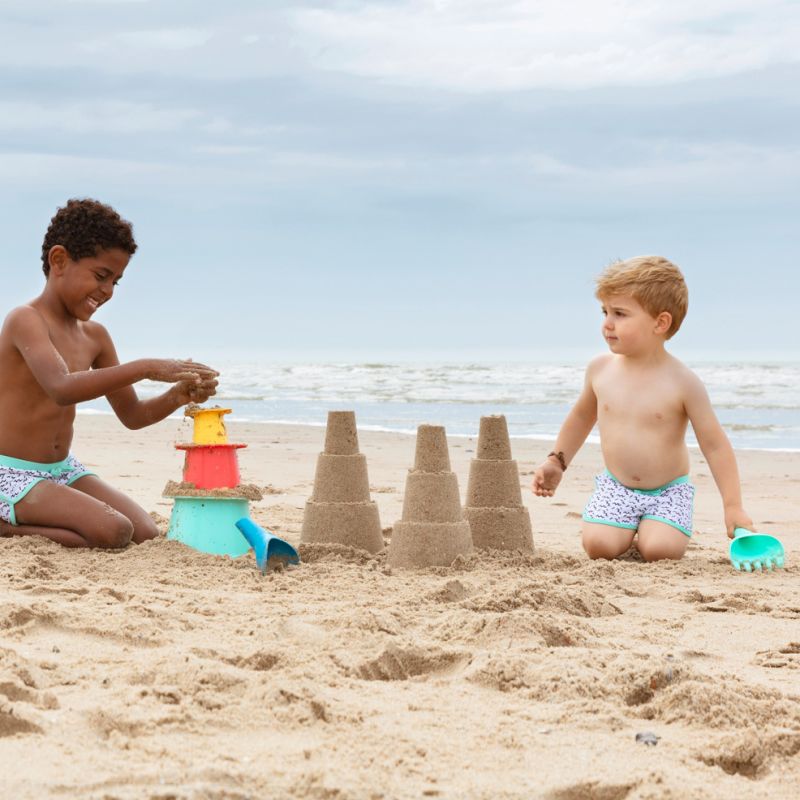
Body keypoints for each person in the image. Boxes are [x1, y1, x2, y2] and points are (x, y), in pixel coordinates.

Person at [0, 198, 219, 548]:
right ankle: (6, 527)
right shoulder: (25, 320)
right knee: (113, 531)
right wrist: (147, 366)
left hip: (63, 470)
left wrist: (178, 395)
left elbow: (132, 416)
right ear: (59, 260)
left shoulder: (95, 337)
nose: (107, 291)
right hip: (10, 473)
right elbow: (61, 387)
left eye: (116, 281)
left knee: (144, 531)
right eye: (101, 276)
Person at [531, 255, 753, 561]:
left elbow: (714, 445)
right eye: (605, 311)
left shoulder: (683, 382)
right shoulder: (600, 370)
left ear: (660, 323)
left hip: (667, 492)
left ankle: (656, 527)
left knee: (659, 551)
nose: (607, 323)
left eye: (620, 314)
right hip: (616, 486)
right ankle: (624, 526)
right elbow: (581, 417)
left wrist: (733, 506)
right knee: (599, 547)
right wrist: (557, 461)